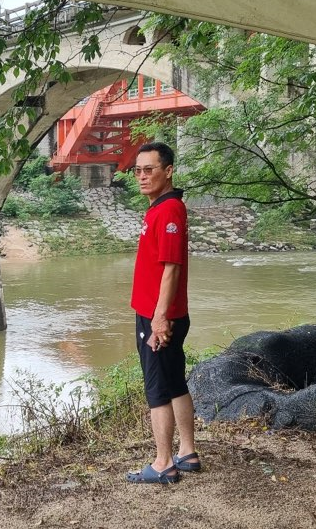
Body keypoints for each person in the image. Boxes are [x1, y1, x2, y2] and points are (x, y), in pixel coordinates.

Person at [126, 142, 201, 484]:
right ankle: (187, 452)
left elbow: (171, 268)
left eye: (149, 170)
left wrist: (159, 318)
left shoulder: (169, 210)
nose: (142, 176)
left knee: (157, 389)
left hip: (158, 316)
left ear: (168, 171)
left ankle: (163, 463)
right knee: (173, 383)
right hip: (164, 312)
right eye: (138, 171)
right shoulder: (161, 207)